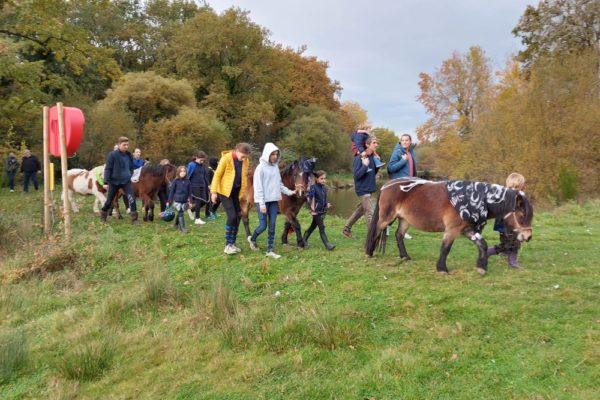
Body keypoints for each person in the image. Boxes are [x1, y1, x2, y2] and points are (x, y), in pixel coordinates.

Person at [247, 143, 296, 259]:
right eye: (272, 154)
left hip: (274, 201)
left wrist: (290, 192)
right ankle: (253, 239)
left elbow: (278, 184)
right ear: (267, 154)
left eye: (276, 154)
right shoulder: (260, 168)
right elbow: (258, 188)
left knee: (272, 225)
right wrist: (262, 204)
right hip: (262, 202)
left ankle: (270, 250)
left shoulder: (275, 167)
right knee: (263, 226)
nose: (275, 156)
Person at [211, 143, 251, 255]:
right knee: (232, 216)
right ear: (237, 150)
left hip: (236, 192)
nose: (244, 159)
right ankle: (227, 245)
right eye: (242, 156)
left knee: (238, 216)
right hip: (224, 192)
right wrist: (213, 192)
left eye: (246, 157)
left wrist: (243, 193)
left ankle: (232, 243)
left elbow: (243, 177)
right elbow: (217, 175)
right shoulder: (226, 159)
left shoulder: (245, 161)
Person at [342, 136, 380, 238]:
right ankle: (372, 236)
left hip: (369, 187)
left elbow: (372, 173)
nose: (376, 145)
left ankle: (346, 228)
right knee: (370, 212)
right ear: (367, 144)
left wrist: (377, 165)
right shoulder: (359, 158)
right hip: (362, 189)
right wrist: (364, 165)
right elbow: (357, 176)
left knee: (361, 210)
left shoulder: (372, 157)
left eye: (377, 143)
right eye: (374, 143)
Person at [487, 173, 527, 268]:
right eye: (521, 185)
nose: (523, 187)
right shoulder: (513, 196)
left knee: (507, 242)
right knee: (513, 243)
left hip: (506, 225)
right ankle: (512, 261)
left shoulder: (505, 194)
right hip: (508, 225)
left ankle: (506, 253)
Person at [100, 137, 138, 224]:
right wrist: (106, 182)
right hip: (114, 182)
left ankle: (134, 219)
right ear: (119, 145)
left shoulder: (129, 155)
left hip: (126, 181)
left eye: (127, 145)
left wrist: (129, 174)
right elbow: (108, 169)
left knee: (132, 198)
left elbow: (131, 167)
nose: (126, 146)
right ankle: (103, 216)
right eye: (124, 145)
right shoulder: (112, 155)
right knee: (109, 201)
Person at [387, 133, 418, 239]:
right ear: (400, 142)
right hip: (399, 185)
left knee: (407, 209)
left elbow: (413, 168)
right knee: (397, 209)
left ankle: (402, 230)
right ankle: (387, 225)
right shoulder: (397, 152)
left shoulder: (411, 152)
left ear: (410, 142)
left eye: (406, 140)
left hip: (410, 184)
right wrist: (402, 161)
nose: (404, 142)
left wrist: (416, 180)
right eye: (402, 140)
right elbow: (390, 168)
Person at [303, 170, 335, 251]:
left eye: (324, 178)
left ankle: (303, 240)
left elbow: (324, 199)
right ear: (317, 179)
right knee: (322, 227)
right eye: (321, 178)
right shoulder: (313, 188)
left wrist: (326, 204)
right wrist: (312, 209)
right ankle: (328, 245)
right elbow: (310, 199)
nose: (323, 180)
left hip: (321, 211)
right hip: (316, 212)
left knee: (313, 226)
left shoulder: (324, 188)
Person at [186, 150, 210, 225]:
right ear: (196, 157)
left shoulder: (202, 166)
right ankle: (197, 219)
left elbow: (204, 176)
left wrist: (208, 185)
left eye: (203, 160)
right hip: (194, 186)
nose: (202, 161)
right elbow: (188, 175)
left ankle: (191, 210)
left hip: (202, 186)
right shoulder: (192, 165)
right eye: (201, 160)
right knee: (198, 201)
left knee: (205, 201)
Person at [167, 166, 192, 233]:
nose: (183, 173)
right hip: (177, 200)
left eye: (184, 171)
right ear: (178, 172)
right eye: (181, 171)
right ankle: (182, 228)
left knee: (180, 212)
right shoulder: (175, 181)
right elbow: (172, 192)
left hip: (185, 200)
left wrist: (190, 202)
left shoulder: (188, 181)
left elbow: (190, 193)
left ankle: (176, 224)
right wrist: (169, 201)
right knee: (181, 212)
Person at [205, 156, 220, 220]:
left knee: (218, 200)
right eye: (217, 162)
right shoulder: (208, 170)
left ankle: (213, 211)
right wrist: (209, 186)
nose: (218, 163)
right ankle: (208, 214)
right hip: (209, 188)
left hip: (216, 188)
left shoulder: (215, 170)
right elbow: (207, 179)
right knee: (210, 202)